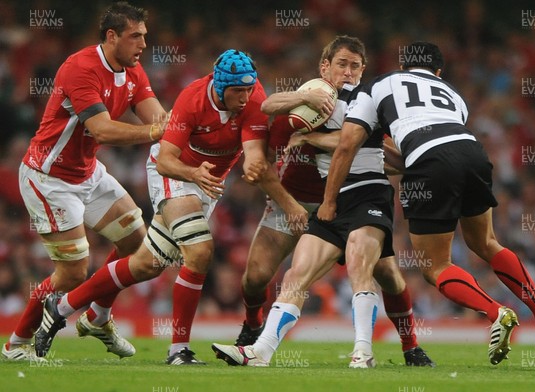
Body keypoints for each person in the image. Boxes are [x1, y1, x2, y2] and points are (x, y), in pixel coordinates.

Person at [33, 48, 308, 365]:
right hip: (176, 175)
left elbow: (254, 155)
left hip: (208, 184)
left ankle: (63, 306)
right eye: (237, 91)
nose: (245, 97)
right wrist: (194, 173)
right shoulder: (191, 100)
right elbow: (164, 160)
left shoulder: (254, 98)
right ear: (219, 87)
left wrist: (255, 166)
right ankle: (178, 350)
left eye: (249, 89)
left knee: (147, 264)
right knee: (201, 250)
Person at [316, 41, 535, 365]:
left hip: (427, 163)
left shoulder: (378, 86)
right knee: (487, 242)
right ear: (437, 71)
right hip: (473, 153)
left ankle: (497, 312)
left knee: (436, 266)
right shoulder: (452, 94)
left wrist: (328, 200)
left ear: (404, 68)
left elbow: (348, 145)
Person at [212, 35, 421, 369]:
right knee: (260, 277)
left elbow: (368, 148)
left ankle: (406, 347)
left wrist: (312, 138)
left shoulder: (364, 102)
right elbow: (267, 108)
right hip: (295, 201)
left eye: (355, 66)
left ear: (363, 69)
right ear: (325, 66)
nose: (348, 72)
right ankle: (255, 338)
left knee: (387, 277)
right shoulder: (300, 105)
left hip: (353, 198)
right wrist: (304, 96)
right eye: (341, 64)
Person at [2, 1, 168, 363]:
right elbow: (103, 129)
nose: (142, 44)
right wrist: (155, 131)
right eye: (134, 36)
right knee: (73, 272)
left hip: (88, 173)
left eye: (144, 36)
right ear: (111, 36)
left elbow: (158, 119)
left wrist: (170, 130)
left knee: (137, 246)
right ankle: (15, 345)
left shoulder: (134, 70)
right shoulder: (81, 68)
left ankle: (98, 317)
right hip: (49, 178)